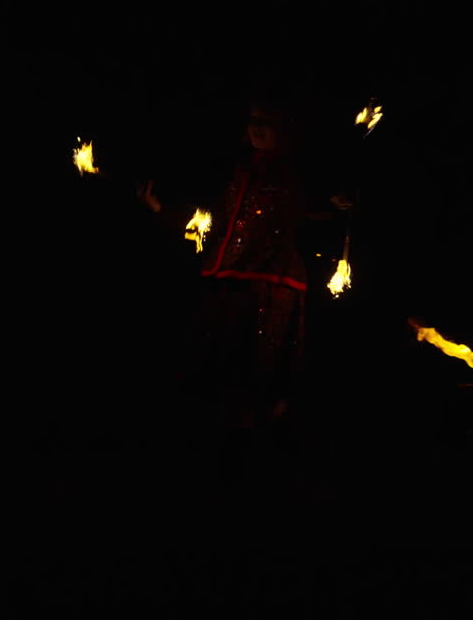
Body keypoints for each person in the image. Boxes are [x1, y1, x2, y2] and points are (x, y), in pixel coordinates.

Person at [139, 87, 351, 447]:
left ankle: (262, 442)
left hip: (272, 280)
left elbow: (317, 207)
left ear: (285, 128)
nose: (257, 128)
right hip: (229, 275)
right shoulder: (237, 170)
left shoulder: (297, 171)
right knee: (221, 368)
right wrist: (163, 210)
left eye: (266, 123)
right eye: (254, 121)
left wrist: (335, 202)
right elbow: (214, 221)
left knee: (263, 370)